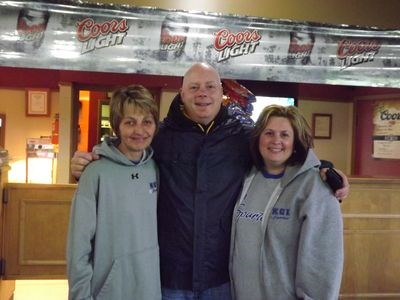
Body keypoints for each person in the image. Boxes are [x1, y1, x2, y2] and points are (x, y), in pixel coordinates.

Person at [71, 63, 349, 300]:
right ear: (182, 93)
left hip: (220, 277)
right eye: (193, 87)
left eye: (210, 87)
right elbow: (129, 147)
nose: (202, 93)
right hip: (171, 276)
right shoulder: (162, 136)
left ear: (221, 93)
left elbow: (280, 152)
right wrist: (96, 156)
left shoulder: (243, 137)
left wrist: (323, 169)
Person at [230, 104, 343, 299]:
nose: (276, 141)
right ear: (258, 138)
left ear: (296, 141)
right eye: (269, 133)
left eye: (284, 135)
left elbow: (324, 262)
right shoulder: (248, 176)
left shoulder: (315, 187)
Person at [67, 85, 161, 300]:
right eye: (130, 122)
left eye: (146, 122)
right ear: (116, 126)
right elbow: (78, 246)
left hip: (149, 288)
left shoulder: (155, 169)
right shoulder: (95, 172)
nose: (139, 131)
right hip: (108, 290)